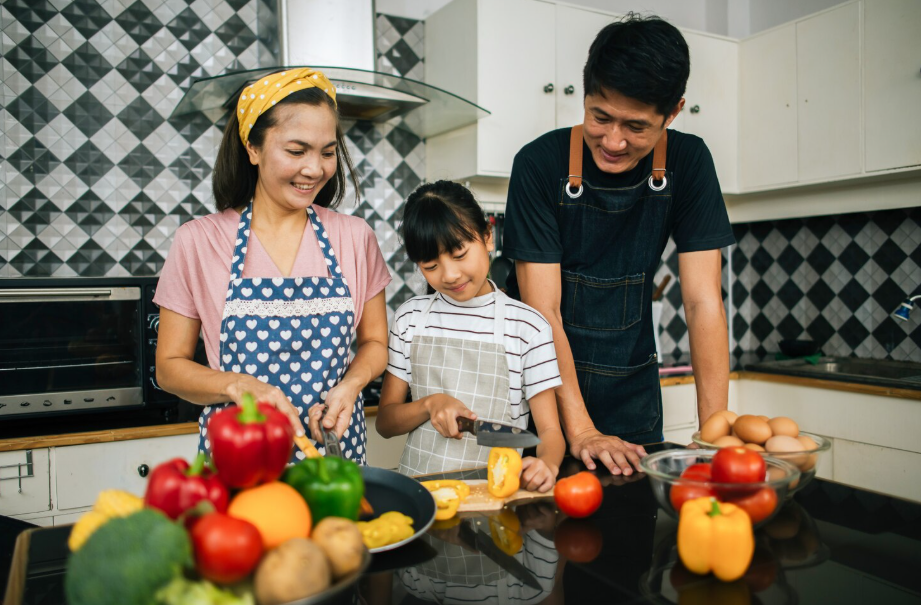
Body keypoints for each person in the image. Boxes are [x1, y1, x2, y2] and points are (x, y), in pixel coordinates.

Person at [504, 14, 735, 475]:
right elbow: (542, 312)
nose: (612, 141)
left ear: (672, 113)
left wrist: (715, 437)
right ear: (584, 95)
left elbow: (703, 300)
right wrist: (581, 429)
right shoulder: (539, 164)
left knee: (631, 538)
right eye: (600, 117)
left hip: (632, 396)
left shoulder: (689, 163)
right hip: (540, 400)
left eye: (636, 127)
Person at [154, 68, 391, 463]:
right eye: (297, 151)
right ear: (253, 149)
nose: (315, 169)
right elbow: (169, 367)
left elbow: (375, 344)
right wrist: (240, 387)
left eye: (328, 152)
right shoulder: (199, 240)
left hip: (333, 457)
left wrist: (350, 386)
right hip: (238, 459)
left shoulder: (355, 237)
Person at [376, 181, 565, 490]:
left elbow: (550, 433)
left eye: (459, 254)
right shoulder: (410, 318)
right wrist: (429, 404)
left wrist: (547, 464)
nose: (449, 275)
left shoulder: (528, 327)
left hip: (494, 497)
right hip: (421, 494)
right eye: (431, 265)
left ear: (488, 238)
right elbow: (385, 423)